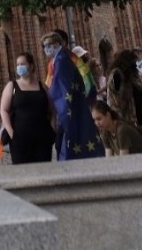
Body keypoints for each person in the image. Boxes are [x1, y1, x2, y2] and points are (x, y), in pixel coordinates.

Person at [43, 30, 104, 160]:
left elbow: (61, 87)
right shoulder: (57, 60)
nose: (46, 49)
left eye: (49, 44)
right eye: (44, 46)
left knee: (70, 143)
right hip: (70, 108)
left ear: (60, 43)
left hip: (69, 109)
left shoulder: (63, 60)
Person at [0, 51, 55, 164]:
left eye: (22, 64)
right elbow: (3, 110)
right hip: (20, 139)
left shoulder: (42, 86)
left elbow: (51, 110)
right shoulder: (12, 86)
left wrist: (52, 129)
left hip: (42, 139)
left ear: (31, 65)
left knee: (44, 171)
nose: (19, 67)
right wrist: (11, 132)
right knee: (23, 173)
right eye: (18, 64)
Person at [106, 49, 142, 129]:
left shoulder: (134, 73)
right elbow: (116, 98)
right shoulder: (117, 74)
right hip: (127, 116)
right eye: (133, 61)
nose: (135, 64)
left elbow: (141, 87)